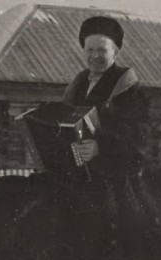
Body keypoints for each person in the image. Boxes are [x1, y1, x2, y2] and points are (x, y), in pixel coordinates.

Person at [63, 16, 149, 175]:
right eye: (90, 50)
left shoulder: (128, 88)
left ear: (115, 52)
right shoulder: (78, 85)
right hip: (77, 170)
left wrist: (100, 147)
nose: (95, 56)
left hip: (114, 173)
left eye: (101, 50)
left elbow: (138, 136)